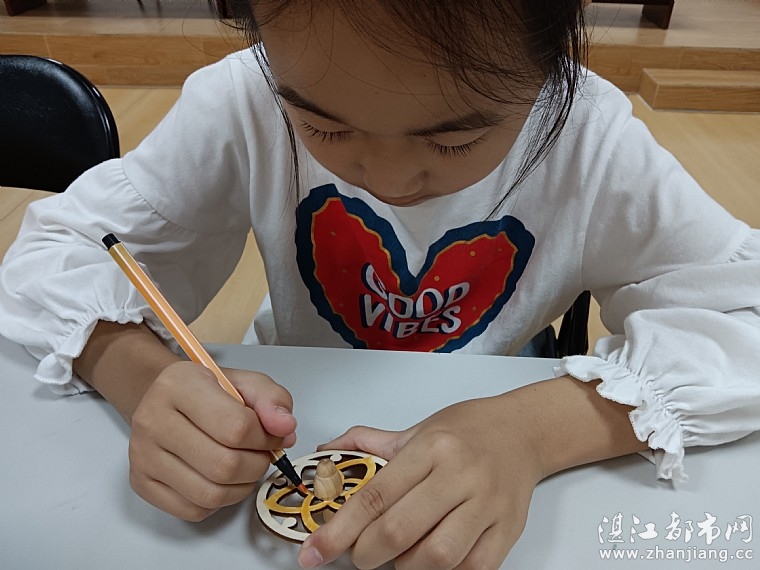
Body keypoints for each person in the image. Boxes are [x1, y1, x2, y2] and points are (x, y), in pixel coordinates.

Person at [1, 1, 759, 568]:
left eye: (455, 139)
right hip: (288, 435)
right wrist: (138, 374)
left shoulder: (589, 137)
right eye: (325, 130)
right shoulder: (246, 99)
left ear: (546, 61)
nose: (390, 181)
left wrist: (533, 432)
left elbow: (745, 308)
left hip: (502, 428)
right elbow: (61, 248)